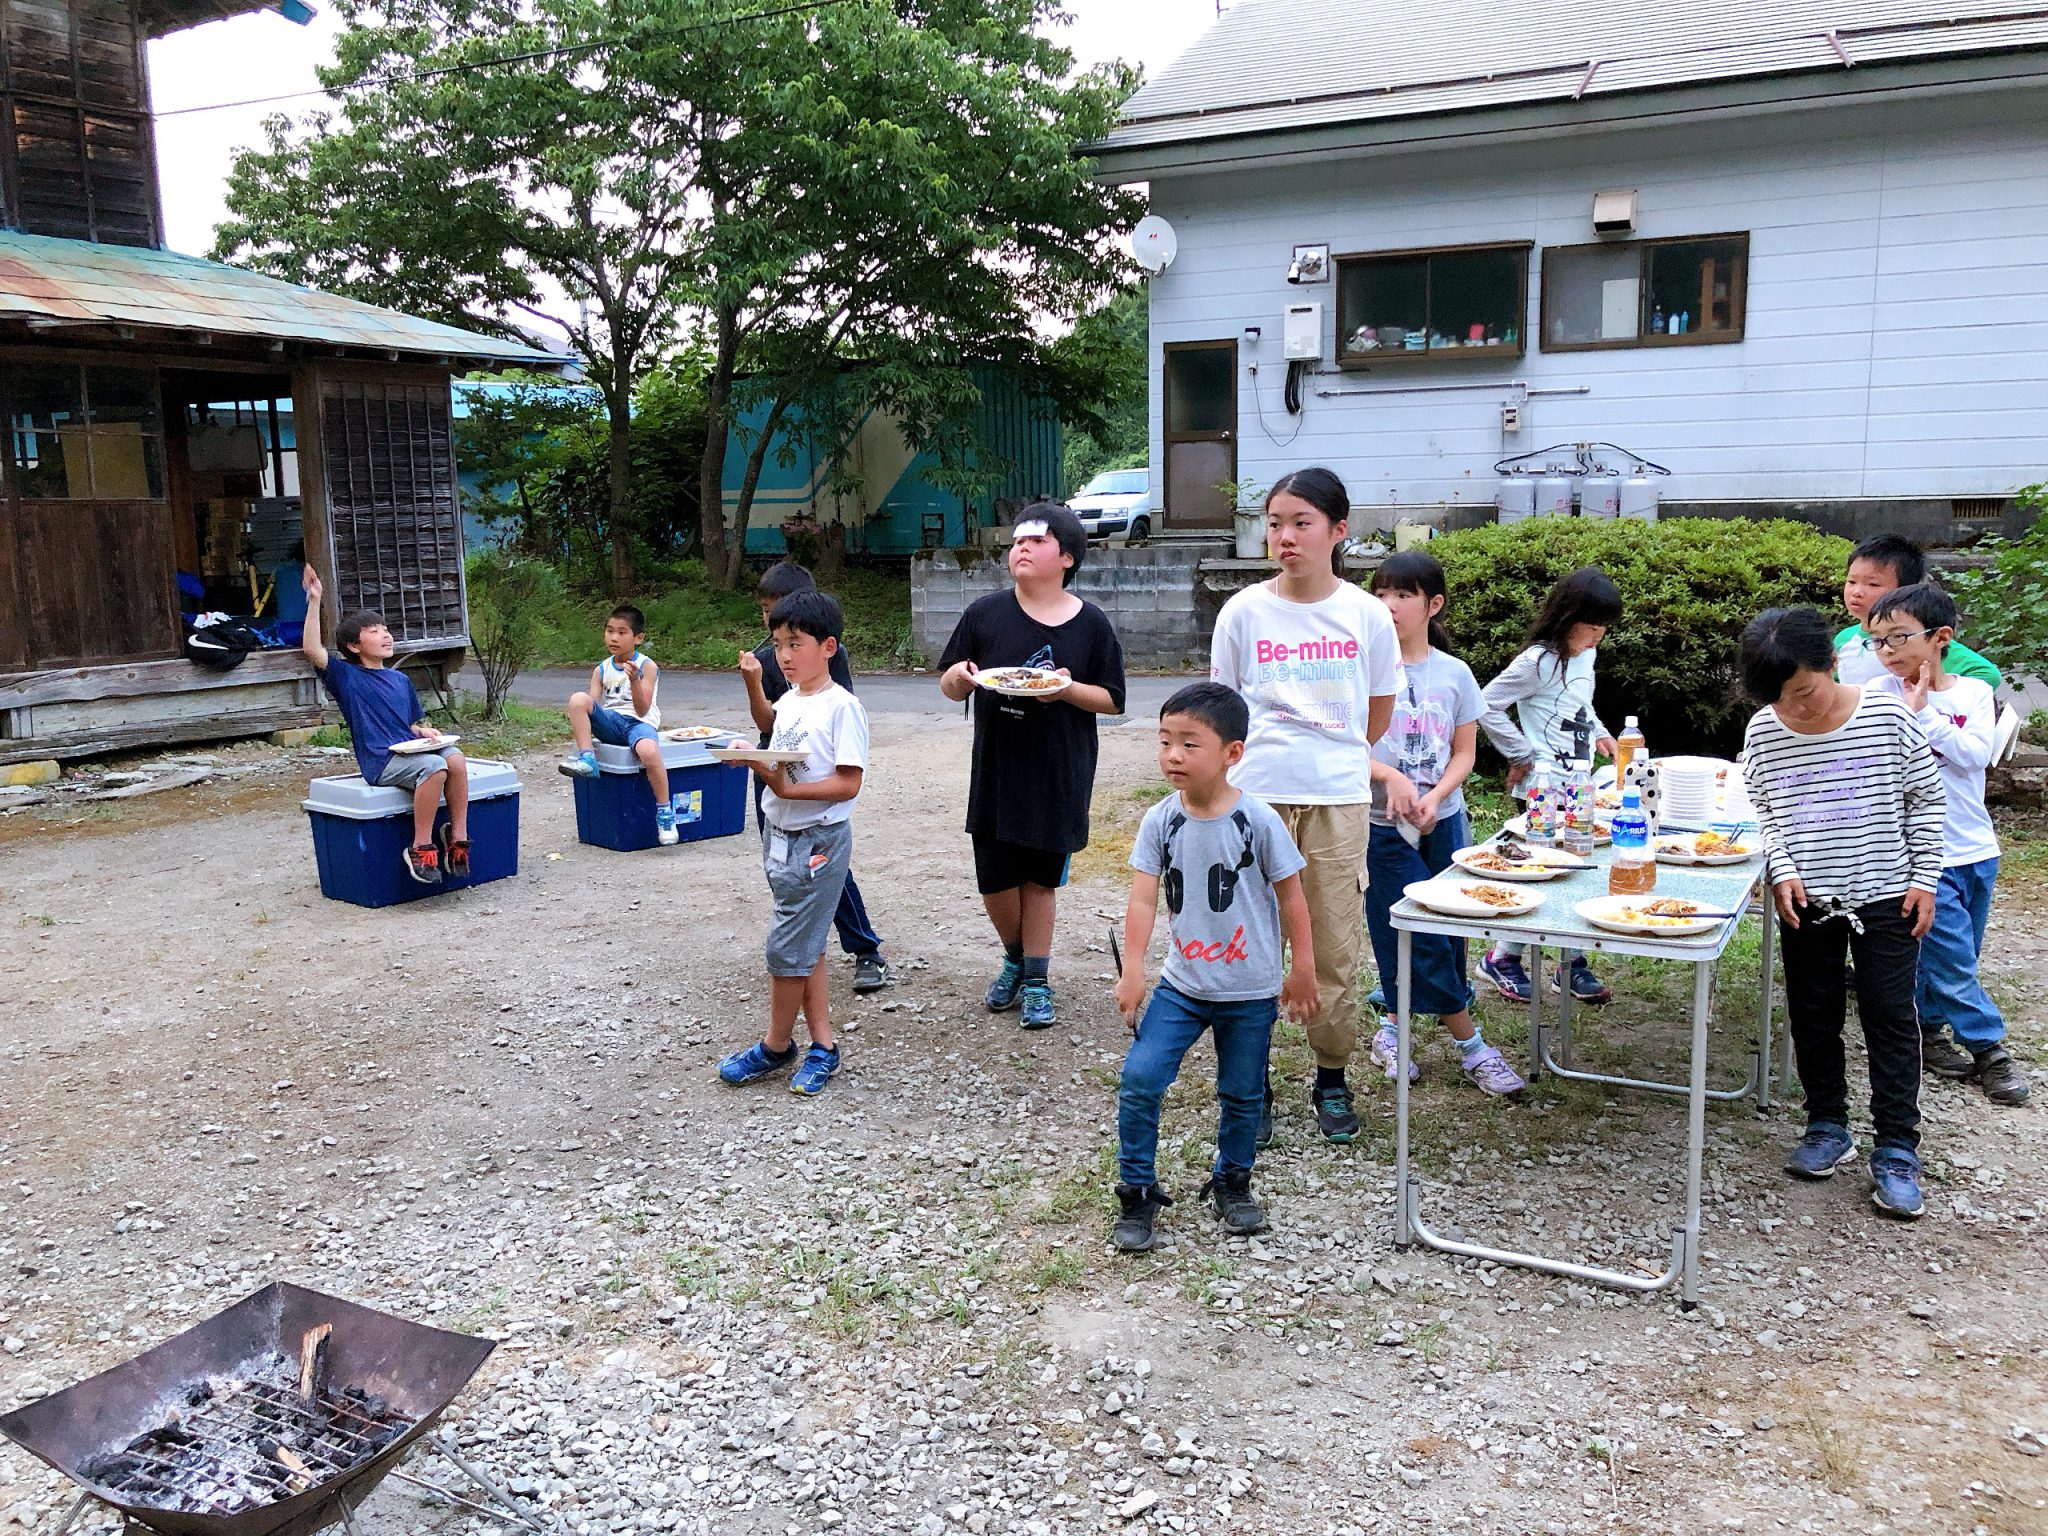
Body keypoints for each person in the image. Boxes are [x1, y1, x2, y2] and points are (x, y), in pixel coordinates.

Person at [1209, 467, 1399, 1145]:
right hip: (1254, 797)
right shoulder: (1242, 612)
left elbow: (1378, 711)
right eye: (1275, 523)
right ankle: (1249, 1082)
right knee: (1247, 944)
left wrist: (1333, 753)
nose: (1284, 537)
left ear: (1338, 531)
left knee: (1333, 942)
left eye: (1301, 523)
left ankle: (1331, 1076)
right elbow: (1223, 708)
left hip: (1336, 798)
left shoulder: (1367, 615)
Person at [1739, 606, 1944, 1220]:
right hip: (1809, 900)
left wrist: (1926, 879)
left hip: (1887, 894)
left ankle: (1897, 1148)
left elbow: (1925, 799)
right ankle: (1827, 1123)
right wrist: (1782, 868)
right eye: (1780, 698)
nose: (1795, 708)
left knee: (1889, 1017)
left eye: (1804, 691)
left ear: (1832, 662)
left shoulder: (1886, 717)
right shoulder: (1763, 731)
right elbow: (1763, 810)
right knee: (1813, 1012)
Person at [1111, 683, 1318, 1251]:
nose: (1173, 755)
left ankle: (1233, 1181)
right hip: (1182, 985)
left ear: (1232, 752)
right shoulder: (1160, 820)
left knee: (1243, 1093)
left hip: (1250, 990)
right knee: (1141, 1078)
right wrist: (1133, 969)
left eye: (1189, 743)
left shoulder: (1259, 820)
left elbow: (1293, 897)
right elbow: (1142, 900)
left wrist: (1302, 968)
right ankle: (1136, 1190)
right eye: (1165, 741)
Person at [938, 504, 1126, 1029]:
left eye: (1036, 541)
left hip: (1058, 769)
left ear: (1067, 557)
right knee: (995, 879)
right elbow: (950, 685)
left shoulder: (1091, 624)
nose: (1021, 548)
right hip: (998, 767)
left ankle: (1037, 980)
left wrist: (1065, 689)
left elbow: (1112, 699)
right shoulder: (985, 613)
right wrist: (959, 677)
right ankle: (1017, 958)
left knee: (1040, 880)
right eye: (1017, 541)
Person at [1361, 552, 1523, 1096]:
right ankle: (1471, 1046)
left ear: (1433, 605)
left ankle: (1391, 1029)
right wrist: (1390, 777)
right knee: (1410, 929)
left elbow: (1465, 753)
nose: (1388, 605)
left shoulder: (1455, 673)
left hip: (1444, 822)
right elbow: (1342, 747)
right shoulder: (1360, 669)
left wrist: (1435, 796)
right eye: (1381, 594)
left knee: (1447, 933)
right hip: (1381, 823)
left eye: (1402, 595)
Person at [1861, 584, 2030, 1106]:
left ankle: (1926, 1029)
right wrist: (1911, 713)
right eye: (1877, 641)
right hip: (1922, 856)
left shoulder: (1972, 694)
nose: (1887, 650)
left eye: (1898, 637)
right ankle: (1990, 1050)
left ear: (1941, 638)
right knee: (1953, 959)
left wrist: (1924, 712)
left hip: (1976, 847)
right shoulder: (1877, 696)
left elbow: (1974, 755)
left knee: (1955, 954)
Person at [717, 590, 869, 1097]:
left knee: (786, 948)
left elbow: (848, 782)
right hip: (781, 835)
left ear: (828, 647)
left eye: (794, 643)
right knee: (807, 942)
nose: (783, 654)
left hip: (818, 839)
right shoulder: (790, 699)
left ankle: (776, 1045)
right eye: (778, 643)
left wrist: (785, 789)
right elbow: (772, 735)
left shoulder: (843, 707)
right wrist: (749, 751)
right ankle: (823, 1045)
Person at [1474, 567, 1623, 1006]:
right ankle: (1502, 957)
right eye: (1592, 627)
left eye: (1604, 628)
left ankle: (1570, 962)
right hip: (1542, 788)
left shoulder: (1585, 656)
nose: (1598, 636)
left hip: (1578, 784)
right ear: (1567, 618)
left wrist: (1600, 733)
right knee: (1540, 873)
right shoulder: (1538, 662)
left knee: (1579, 870)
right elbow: (1486, 704)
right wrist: (1521, 752)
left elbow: (1579, 704)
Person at [741, 560, 890, 993]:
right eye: (766, 612)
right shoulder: (769, 657)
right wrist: (753, 683)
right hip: (774, 767)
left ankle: (864, 949)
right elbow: (769, 721)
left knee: (824, 869)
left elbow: (837, 725)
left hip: (810, 781)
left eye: (777, 609)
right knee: (782, 865)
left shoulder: (826, 659)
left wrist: (794, 786)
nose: (772, 622)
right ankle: (801, 946)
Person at [300, 565, 470, 885]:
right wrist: (315, 599)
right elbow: (311, 649)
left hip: (410, 752)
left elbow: (410, 726)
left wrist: (423, 731)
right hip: (381, 761)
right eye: (375, 631)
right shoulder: (346, 676)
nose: (386, 634)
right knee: (435, 767)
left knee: (456, 759)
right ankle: (420, 847)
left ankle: (457, 837)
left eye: (386, 629)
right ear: (354, 646)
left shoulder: (399, 680)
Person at [558, 605, 677, 846]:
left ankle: (665, 813)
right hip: (612, 722)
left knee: (649, 751)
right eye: (609, 631)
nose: (614, 637)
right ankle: (588, 760)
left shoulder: (647, 666)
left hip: (639, 723)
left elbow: (642, 709)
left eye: (622, 632)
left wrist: (634, 681)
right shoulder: (601, 669)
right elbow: (593, 705)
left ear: (638, 638)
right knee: (578, 699)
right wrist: (582, 717)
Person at [1834, 534, 2002, 689]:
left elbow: (1988, 675)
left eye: (1873, 584)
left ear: (1905, 590)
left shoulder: (1920, 640)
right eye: (1852, 582)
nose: (1856, 592)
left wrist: (1937, 700)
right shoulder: (1844, 639)